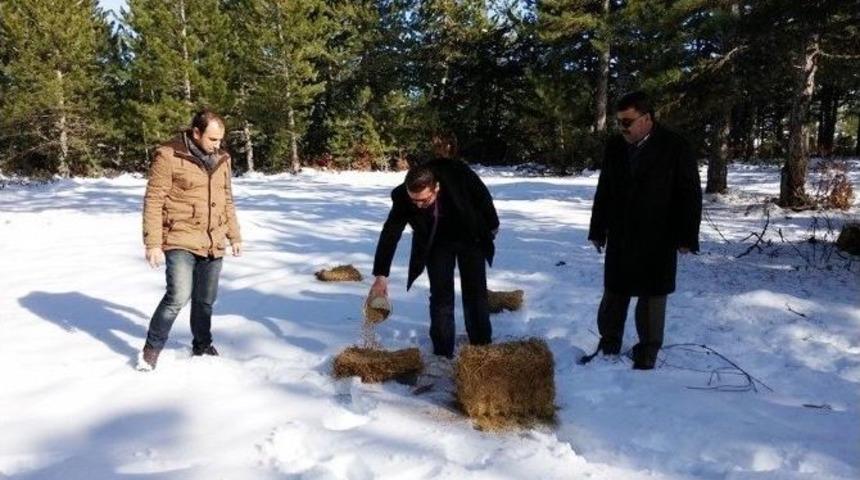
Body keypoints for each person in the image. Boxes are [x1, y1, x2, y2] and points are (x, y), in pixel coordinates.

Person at [583, 91, 702, 370]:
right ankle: (608, 343)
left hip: (658, 235)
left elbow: (690, 194)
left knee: (652, 295)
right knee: (614, 292)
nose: (622, 128)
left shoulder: (675, 146)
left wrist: (687, 236)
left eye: (627, 122)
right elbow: (605, 191)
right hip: (621, 233)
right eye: (619, 123)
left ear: (646, 118)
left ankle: (647, 351)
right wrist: (597, 229)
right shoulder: (615, 146)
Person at [369, 136, 499, 359]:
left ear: (436, 188)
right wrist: (381, 275)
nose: (419, 205)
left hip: (469, 235)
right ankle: (442, 351)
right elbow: (390, 233)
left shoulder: (458, 174)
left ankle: (481, 345)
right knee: (440, 296)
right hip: (436, 242)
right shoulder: (403, 197)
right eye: (414, 201)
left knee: (475, 292)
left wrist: (492, 225)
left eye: (424, 200)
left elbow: (483, 197)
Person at [139, 109, 242, 370]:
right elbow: (154, 200)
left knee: (205, 299)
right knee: (178, 295)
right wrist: (152, 243)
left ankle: (202, 345)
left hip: (213, 239)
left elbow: (227, 199)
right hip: (180, 236)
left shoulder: (222, 159)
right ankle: (151, 350)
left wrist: (234, 234)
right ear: (196, 133)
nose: (217, 145)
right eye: (212, 139)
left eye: (220, 140)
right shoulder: (169, 155)